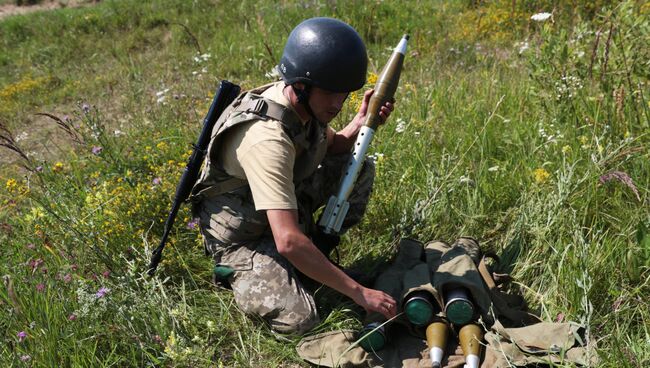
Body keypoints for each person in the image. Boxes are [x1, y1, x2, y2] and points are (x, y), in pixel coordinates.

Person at [190, 17, 397, 335]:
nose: (338, 103)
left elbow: (335, 145)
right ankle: (232, 275)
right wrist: (359, 292)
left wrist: (361, 121)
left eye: (344, 94)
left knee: (356, 167)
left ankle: (312, 256)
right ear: (301, 86)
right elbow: (287, 241)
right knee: (299, 320)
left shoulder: (303, 108)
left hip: (276, 213)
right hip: (243, 240)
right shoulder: (267, 139)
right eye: (331, 93)